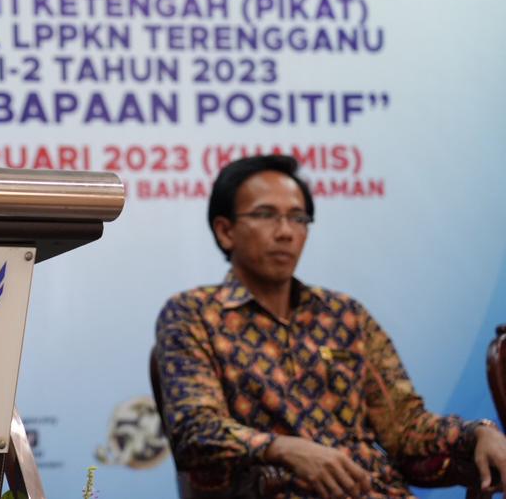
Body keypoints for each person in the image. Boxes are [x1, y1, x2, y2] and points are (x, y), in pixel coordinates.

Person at [155, 154, 506, 498]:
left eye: (298, 218)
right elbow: (195, 431)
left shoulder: (345, 314)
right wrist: (284, 449)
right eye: (265, 215)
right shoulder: (193, 315)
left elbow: (406, 427)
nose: (285, 232)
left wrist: (477, 433)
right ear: (225, 231)